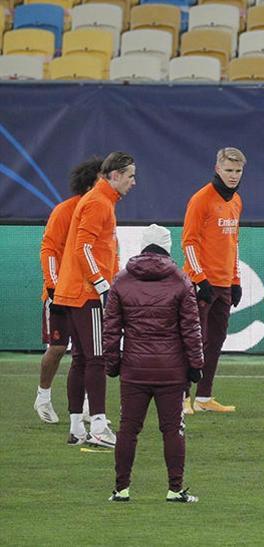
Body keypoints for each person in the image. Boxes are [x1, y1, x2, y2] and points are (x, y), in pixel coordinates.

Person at [103, 225, 204, 503]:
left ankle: (121, 489)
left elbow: (111, 329)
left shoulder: (121, 281)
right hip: (171, 369)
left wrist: (112, 363)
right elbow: (191, 328)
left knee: (128, 428)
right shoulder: (181, 281)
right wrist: (195, 365)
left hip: (134, 369)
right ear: (167, 247)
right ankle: (175, 489)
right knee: (173, 429)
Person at [52, 151, 137, 448]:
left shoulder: (99, 201)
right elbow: (83, 248)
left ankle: (77, 427)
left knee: (80, 359)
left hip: (74, 290)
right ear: (114, 175)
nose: (133, 182)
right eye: (130, 176)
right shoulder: (99, 203)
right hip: (86, 293)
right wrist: (102, 285)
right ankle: (99, 425)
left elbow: (87, 248)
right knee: (97, 359)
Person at [34, 156, 102, 425]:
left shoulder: (103, 210)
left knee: (87, 352)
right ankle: (43, 396)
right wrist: (52, 286)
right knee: (58, 347)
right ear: (89, 182)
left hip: (88, 295)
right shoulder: (65, 210)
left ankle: (86, 405)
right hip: (61, 294)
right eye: (101, 179)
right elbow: (49, 249)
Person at [182, 147, 245, 415]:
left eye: (238, 171)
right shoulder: (201, 199)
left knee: (216, 341)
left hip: (223, 283)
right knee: (193, 340)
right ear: (217, 169)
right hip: (202, 283)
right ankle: (183, 396)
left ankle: (204, 397)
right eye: (229, 170)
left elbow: (233, 243)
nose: (233, 176)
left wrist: (235, 279)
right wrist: (199, 278)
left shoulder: (236, 201)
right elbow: (189, 242)